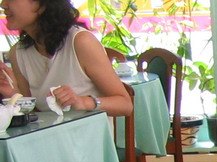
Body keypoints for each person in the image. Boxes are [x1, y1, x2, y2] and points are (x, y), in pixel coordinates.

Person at [0, 0, 131, 116]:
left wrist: (83, 102)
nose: (3, 5)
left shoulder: (80, 41)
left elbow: (125, 105)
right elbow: (33, 115)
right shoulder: (18, 53)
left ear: (42, 5)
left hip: (89, 139)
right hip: (48, 140)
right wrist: (11, 93)